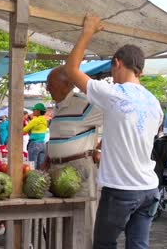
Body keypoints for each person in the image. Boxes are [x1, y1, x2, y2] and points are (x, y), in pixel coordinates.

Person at [64, 15, 163, 248]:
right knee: (138, 245)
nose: (111, 75)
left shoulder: (113, 93)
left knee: (104, 245)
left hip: (121, 189)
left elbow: (71, 70)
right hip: (149, 188)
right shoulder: (154, 102)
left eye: (111, 69)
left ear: (118, 63)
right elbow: (134, 136)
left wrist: (87, 31)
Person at [41, 66, 103, 244]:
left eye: (50, 84)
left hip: (79, 169)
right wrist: (49, 157)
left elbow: (118, 121)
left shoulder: (84, 104)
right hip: (55, 170)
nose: (47, 88)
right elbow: (59, 137)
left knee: (82, 221)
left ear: (66, 83)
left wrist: (99, 149)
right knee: (57, 220)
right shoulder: (57, 108)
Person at [23, 103, 48, 168]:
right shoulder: (45, 121)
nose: (33, 111)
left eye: (34, 110)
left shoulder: (35, 121)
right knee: (40, 165)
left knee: (32, 164)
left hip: (34, 144)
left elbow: (23, 131)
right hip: (42, 144)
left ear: (38, 111)